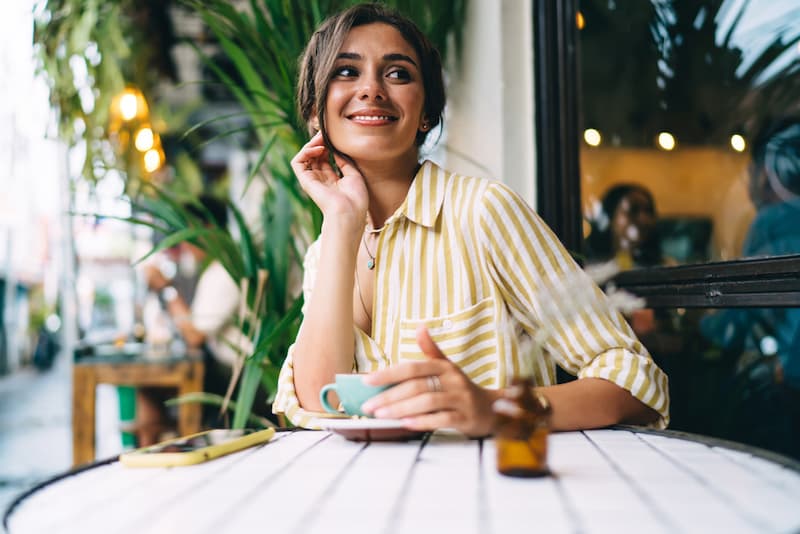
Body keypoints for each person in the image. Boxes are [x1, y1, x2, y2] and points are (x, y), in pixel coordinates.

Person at [272, 3, 668, 436]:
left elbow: (635, 381)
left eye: (398, 73)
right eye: (346, 72)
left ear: (427, 113)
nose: (371, 88)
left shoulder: (483, 212)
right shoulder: (326, 251)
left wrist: (495, 408)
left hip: (497, 493)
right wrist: (342, 221)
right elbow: (318, 401)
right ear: (315, 111)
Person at [136, 194, 249, 445]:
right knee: (150, 389)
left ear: (206, 229)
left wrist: (167, 289)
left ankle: (164, 453)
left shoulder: (225, 271)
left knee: (150, 390)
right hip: (224, 371)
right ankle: (161, 452)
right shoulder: (217, 268)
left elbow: (193, 336)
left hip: (235, 379)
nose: (184, 244)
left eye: (187, 233)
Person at [586, 183, 663, 269]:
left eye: (648, 211)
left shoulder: (664, 265)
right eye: (633, 210)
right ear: (610, 217)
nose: (644, 220)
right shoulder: (587, 266)